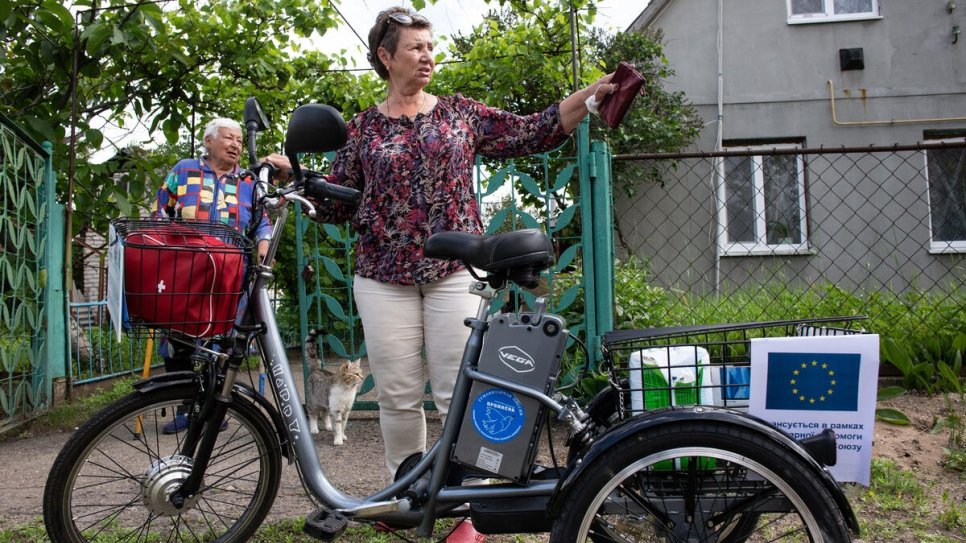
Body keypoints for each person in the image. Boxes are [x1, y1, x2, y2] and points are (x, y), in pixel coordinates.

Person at [268, 6, 616, 535]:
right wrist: (301, 177)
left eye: (430, 46)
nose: (427, 55)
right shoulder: (361, 129)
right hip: (383, 275)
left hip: (458, 271)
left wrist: (591, 96)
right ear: (385, 57)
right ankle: (401, 499)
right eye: (414, 47)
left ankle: (465, 510)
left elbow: (535, 130)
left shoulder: (460, 113)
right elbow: (341, 202)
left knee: (459, 393)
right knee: (398, 395)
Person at [154, 117, 272, 434]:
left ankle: (212, 408)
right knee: (176, 339)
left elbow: (262, 223)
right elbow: (160, 211)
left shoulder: (248, 182)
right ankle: (186, 407)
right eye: (228, 138)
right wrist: (162, 249)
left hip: (230, 273)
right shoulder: (184, 170)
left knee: (222, 341)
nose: (235, 144)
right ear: (209, 142)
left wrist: (263, 244)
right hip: (185, 269)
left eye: (238, 139)